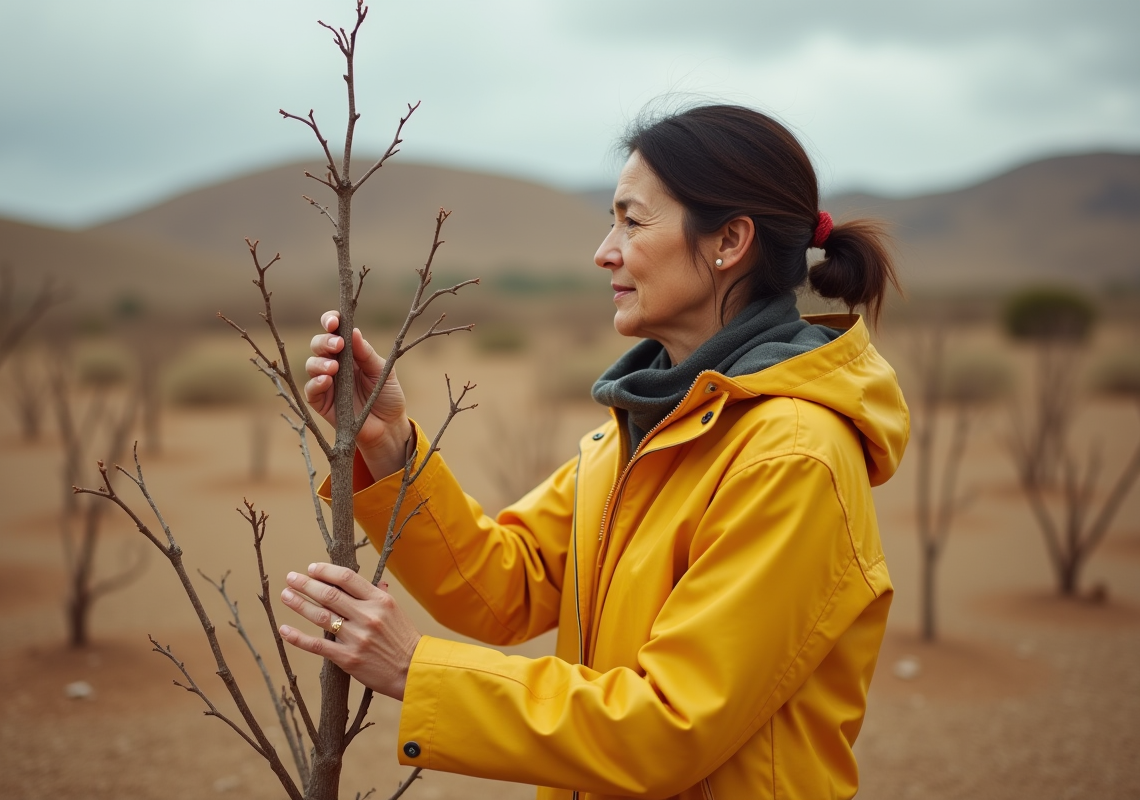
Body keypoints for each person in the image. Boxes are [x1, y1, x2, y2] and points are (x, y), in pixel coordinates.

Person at [277, 104, 909, 800]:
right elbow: (502, 588)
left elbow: (671, 727)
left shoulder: (792, 457)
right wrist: (388, 444)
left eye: (632, 222)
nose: (604, 250)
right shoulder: (640, 427)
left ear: (730, 240)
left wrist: (414, 670)